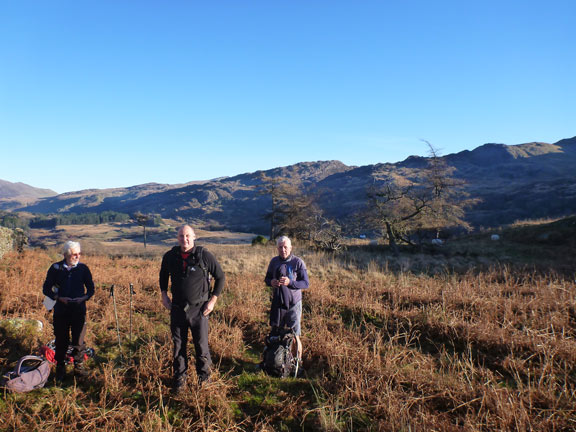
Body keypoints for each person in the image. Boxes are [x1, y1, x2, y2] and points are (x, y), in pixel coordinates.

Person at [159, 225, 225, 393]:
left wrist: (212, 301)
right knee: (178, 347)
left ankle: (205, 380)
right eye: (181, 236)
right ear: (177, 237)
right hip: (177, 309)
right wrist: (164, 294)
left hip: (200, 310)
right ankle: (180, 380)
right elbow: (163, 275)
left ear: (194, 237)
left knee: (201, 346)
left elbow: (220, 277)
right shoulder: (170, 256)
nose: (185, 239)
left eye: (188, 236)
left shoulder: (204, 256)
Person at [42, 240, 95, 382]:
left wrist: (83, 298)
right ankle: (60, 368)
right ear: (66, 255)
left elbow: (91, 289)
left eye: (79, 254)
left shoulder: (83, 269)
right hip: (61, 310)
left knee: (78, 340)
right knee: (61, 340)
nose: (77, 257)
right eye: (73, 254)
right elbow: (46, 288)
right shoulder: (55, 268)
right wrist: (59, 298)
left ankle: (78, 367)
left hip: (78, 310)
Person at [264, 236, 309, 365]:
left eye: (285, 247)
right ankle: (277, 362)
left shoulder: (298, 262)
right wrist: (271, 282)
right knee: (276, 332)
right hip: (278, 303)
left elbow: (305, 283)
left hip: (294, 304)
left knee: (295, 335)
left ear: (290, 248)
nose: (283, 250)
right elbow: (266, 279)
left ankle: (298, 364)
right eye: (280, 247)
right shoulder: (273, 262)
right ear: (277, 248)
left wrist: (290, 282)